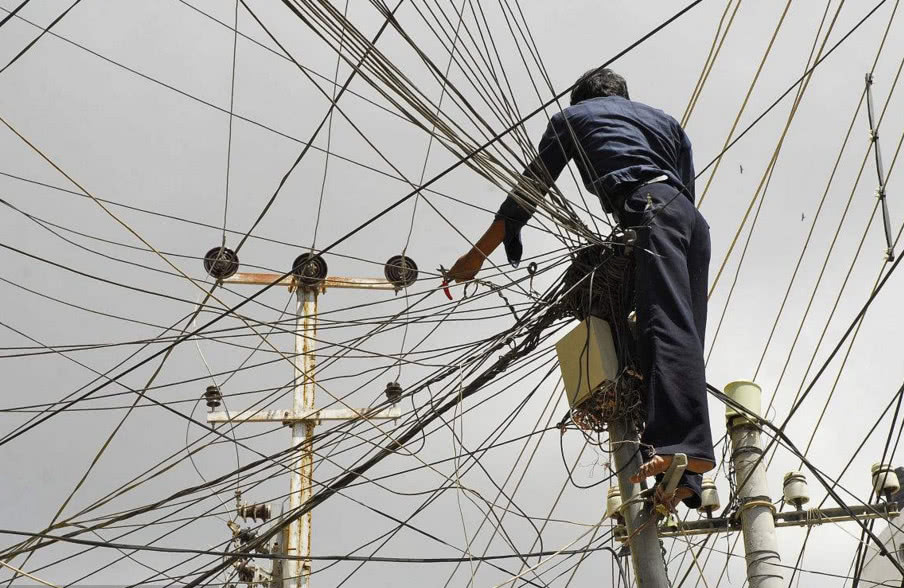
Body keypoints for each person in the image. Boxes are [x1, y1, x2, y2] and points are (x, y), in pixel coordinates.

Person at [447, 67, 715, 508]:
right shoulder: (666, 121)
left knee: (661, 325)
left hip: (648, 208)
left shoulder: (573, 119)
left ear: (579, 100)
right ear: (626, 97)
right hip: (691, 222)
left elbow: (530, 190)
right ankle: (685, 475)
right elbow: (684, 185)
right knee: (682, 333)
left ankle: (684, 449)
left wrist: (477, 255)